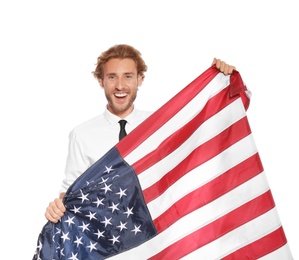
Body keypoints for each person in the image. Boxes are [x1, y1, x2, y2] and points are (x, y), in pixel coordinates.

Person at [45, 44, 236, 223]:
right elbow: (71, 193)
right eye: (112, 77)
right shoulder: (82, 134)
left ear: (140, 79)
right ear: (101, 81)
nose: (120, 86)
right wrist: (57, 208)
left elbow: (208, 127)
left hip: (157, 235)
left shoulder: (160, 125)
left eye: (128, 76)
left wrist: (224, 82)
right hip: (111, 241)